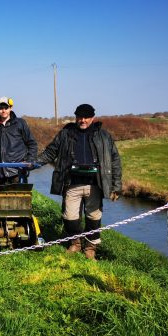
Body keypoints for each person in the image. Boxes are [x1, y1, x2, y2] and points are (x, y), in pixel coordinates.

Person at [36, 103, 122, 260]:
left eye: (86, 117)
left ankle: (90, 247)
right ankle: (75, 243)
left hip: (95, 184)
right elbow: (50, 152)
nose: (82, 120)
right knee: (69, 217)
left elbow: (115, 160)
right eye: (79, 117)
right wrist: (33, 164)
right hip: (71, 183)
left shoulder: (103, 136)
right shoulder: (66, 133)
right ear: (76, 117)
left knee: (93, 217)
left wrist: (116, 186)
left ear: (92, 118)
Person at [0, 96, 38, 184]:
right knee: (1, 197)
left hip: (18, 171)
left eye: (6, 108)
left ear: (10, 108)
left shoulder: (20, 123)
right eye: (1, 108)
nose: (4, 110)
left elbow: (32, 144)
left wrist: (29, 160)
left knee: (19, 197)